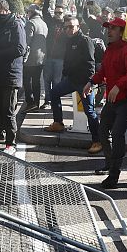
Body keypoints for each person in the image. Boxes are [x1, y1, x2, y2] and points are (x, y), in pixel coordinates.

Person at [86, 18, 127, 188]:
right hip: (113, 99)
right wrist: (91, 81)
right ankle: (110, 163)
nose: (108, 31)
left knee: (118, 133)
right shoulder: (110, 49)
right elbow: (103, 71)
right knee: (102, 130)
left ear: (122, 32)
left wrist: (119, 85)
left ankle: (114, 175)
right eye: (108, 28)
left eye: (113, 28)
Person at [44, 15, 102, 154]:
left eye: (71, 27)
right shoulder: (69, 40)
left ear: (78, 27)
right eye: (66, 27)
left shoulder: (85, 40)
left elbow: (90, 63)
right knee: (54, 92)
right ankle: (58, 123)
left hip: (84, 83)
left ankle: (97, 141)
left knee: (90, 111)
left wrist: (89, 83)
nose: (68, 30)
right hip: (71, 80)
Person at [0, 0, 26, 153]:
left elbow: (20, 49)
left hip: (11, 74)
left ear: (6, 11)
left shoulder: (16, 24)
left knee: (8, 110)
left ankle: (11, 142)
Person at [22, 3, 48, 111]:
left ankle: (30, 102)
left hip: (31, 57)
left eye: (28, 12)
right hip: (41, 57)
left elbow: (26, 41)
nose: (27, 14)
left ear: (31, 13)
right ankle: (36, 103)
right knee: (36, 81)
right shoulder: (43, 23)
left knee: (27, 81)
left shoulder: (30, 23)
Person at [42, 0, 65, 108]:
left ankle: (55, 101)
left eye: (60, 13)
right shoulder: (50, 22)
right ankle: (47, 100)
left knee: (57, 81)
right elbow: (45, 12)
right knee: (46, 80)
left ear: (63, 13)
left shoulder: (66, 25)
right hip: (48, 57)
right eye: (56, 12)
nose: (57, 14)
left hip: (60, 58)